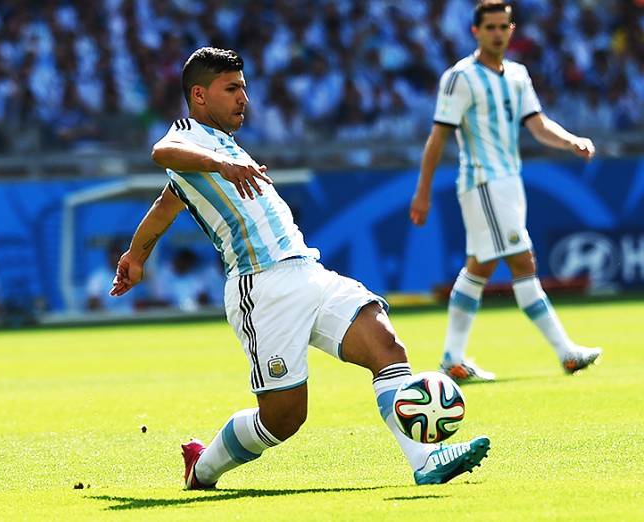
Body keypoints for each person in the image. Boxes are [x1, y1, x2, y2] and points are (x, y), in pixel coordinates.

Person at [111, 47, 490, 489]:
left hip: (308, 271)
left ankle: (426, 461)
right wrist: (221, 163)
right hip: (262, 288)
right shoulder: (189, 136)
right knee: (284, 418)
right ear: (199, 95)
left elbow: (166, 202)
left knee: (385, 344)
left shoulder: (221, 148)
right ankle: (204, 465)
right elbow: (163, 151)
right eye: (231, 89)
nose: (243, 99)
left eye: (244, 89)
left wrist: (137, 255)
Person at [409, 2, 601, 383]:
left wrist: (571, 142)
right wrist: (423, 192)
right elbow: (438, 138)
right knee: (522, 260)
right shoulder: (459, 78)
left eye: (503, 26)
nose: (498, 33)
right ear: (475, 32)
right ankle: (566, 352)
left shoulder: (517, 74)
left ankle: (452, 359)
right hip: (483, 182)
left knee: (479, 267)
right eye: (490, 27)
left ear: (512, 30)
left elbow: (538, 124)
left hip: (510, 182)